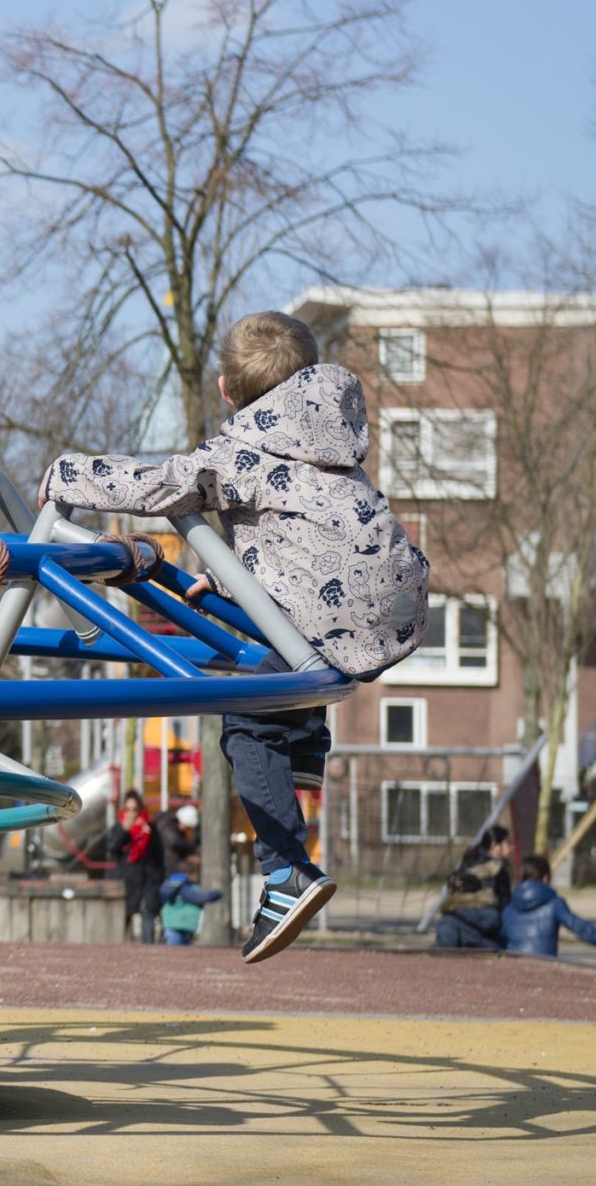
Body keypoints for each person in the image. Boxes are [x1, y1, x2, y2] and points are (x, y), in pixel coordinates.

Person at [42, 311, 430, 965]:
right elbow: (309, 540)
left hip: (330, 620)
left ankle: (287, 874)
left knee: (245, 720)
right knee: (280, 659)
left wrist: (67, 475)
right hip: (399, 604)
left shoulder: (242, 451)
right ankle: (304, 743)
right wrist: (226, 583)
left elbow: (158, 485)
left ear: (225, 388)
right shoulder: (334, 437)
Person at [500, 854, 596, 957]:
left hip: (515, 966)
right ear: (545, 878)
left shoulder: (509, 908)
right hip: (544, 966)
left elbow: (502, 937)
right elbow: (575, 925)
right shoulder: (554, 903)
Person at [434, 823, 513, 950]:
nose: (511, 848)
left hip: (455, 918)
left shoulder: (467, 861)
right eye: (508, 844)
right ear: (494, 846)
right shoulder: (499, 869)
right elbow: (505, 902)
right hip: (486, 924)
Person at [109, 789, 164, 943]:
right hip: (126, 883)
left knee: (148, 918)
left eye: (135, 809)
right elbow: (113, 849)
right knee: (122, 924)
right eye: (128, 809)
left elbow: (159, 857)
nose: (131, 813)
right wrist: (124, 831)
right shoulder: (119, 828)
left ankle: (148, 953)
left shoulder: (150, 830)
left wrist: (157, 880)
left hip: (147, 882)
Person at [157, 856, 223, 946]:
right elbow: (197, 898)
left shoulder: (172, 883)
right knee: (174, 953)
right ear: (189, 874)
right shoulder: (183, 888)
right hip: (179, 926)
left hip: (173, 925)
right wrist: (216, 894)